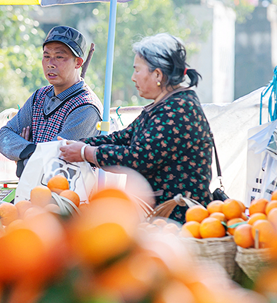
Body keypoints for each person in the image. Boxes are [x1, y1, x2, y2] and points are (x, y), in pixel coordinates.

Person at [59, 33, 212, 221]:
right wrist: (76, 144)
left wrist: (86, 152)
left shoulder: (178, 109)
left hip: (180, 219)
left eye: (137, 70)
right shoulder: (162, 105)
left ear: (157, 74)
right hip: (159, 215)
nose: (133, 78)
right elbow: (122, 138)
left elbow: (139, 158)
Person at [0, 26, 102, 177]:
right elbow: (4, 136)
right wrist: (30, 150)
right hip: (34, 191)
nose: (50, 63)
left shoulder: (86, 108)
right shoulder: (38, 97)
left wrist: (20, 157)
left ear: (78, 63)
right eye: (46, 56)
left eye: (59, 57)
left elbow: (55, 159)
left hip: (69, 197)